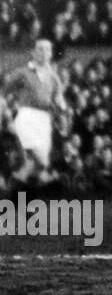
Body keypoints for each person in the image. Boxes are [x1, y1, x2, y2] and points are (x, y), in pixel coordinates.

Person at [1, 39, 68, 187]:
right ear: (33, 53)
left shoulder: (53, 77)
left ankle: (18, 185)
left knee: (40, 164)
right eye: (40, 49)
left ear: (50, 54)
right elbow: (4, 93)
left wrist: (61, 110)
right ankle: (18, 185)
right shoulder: (22, 72)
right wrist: (5, 114)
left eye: (47, 50)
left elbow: (59, 100)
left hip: (44, 120)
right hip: (27, 116)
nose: (43, 53)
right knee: (36, 157)